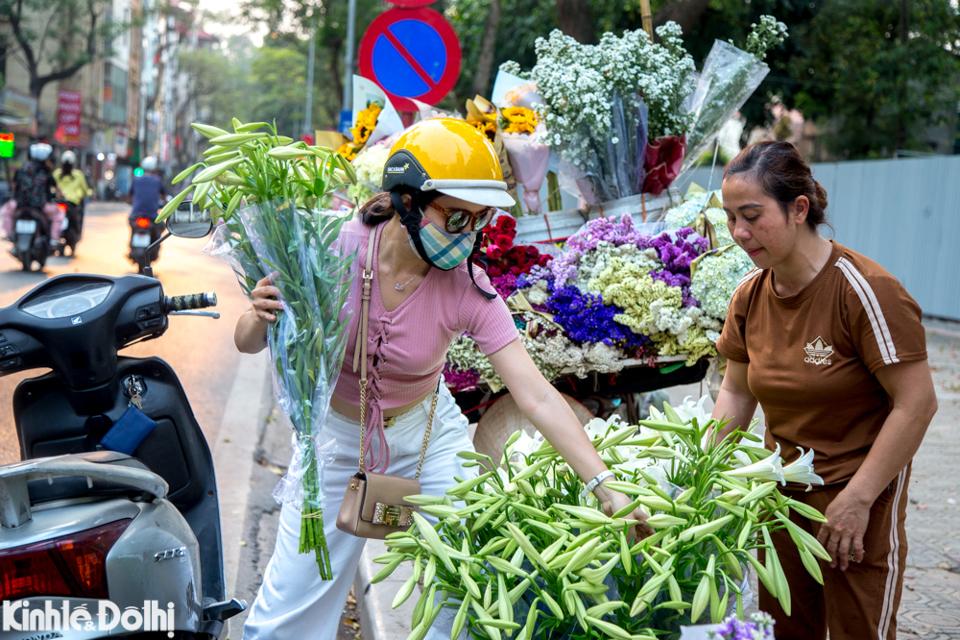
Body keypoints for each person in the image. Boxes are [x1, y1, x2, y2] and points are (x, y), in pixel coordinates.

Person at [234, 118, 652, 640]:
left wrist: (604, 485)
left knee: (465, 587)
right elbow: (247, 341)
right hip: (334, 441)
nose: (468, 234)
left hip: (428, 438)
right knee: (289, 607)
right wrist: (259, 314)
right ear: (407, 201)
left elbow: (537, 396)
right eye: (456, 217)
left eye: (478, 220)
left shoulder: (469, 288)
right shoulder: (328, 248)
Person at [712, 141, 938, 640]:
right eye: (730, 218)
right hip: (780, 495)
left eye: (751, 215)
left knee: (859, 629)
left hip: (858, 494)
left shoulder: (865, 290)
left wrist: (857, 499)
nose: (739, 233)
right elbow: (735, 392)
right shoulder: (749, 295)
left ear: (799, 209)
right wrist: (702, 473)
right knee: (788, 628)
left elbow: (917, 403)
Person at [1, 142, 64, 245]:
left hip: (19, 205)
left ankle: (9, 234)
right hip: (41, 206)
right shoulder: (47, 172)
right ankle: (53, 239)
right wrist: (60, 197)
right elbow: (57, 190)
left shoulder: (21, 170)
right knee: (59, 215)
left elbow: (14, 186)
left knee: (5, 212)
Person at [53, 150, 93, 235]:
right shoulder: (78, 175)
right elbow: (85, 190)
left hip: (56, 202)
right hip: (71, 203)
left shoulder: (56, 173)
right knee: (75, 222)